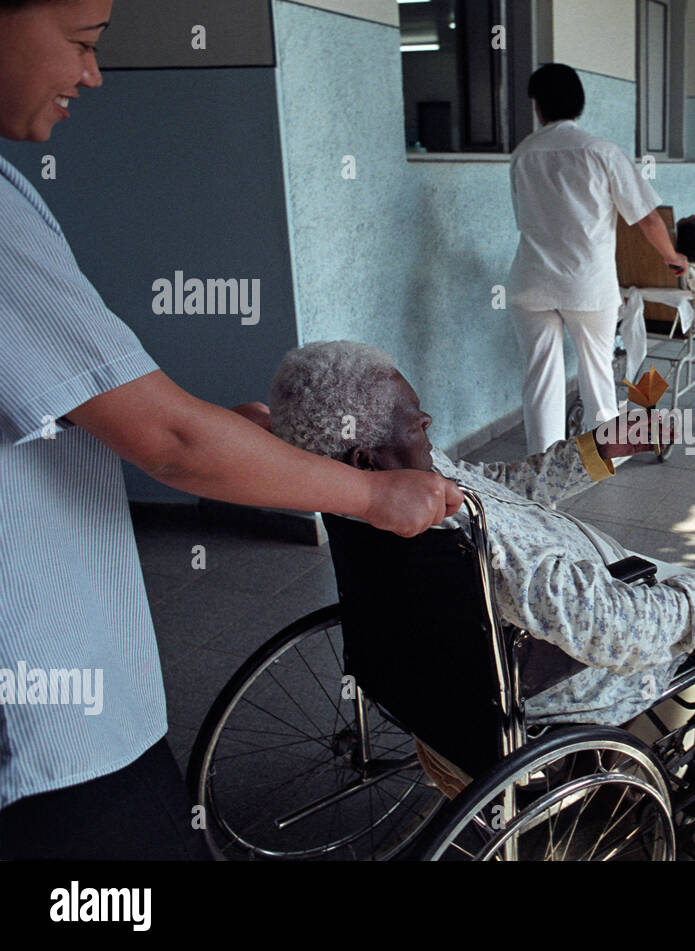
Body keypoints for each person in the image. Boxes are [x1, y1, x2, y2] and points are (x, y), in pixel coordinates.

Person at [0, 0, 461, 861]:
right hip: (47, 726)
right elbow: (169, 439)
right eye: (82, 42)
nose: (93, 75)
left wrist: (233, 438)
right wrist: (368, 497)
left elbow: (83, 400)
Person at [269, 341, 695, 738]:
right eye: (415, 422)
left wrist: (605, 447)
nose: (428, 420)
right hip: (582, 659)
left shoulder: (380, 492)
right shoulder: (475, 546)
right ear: (366, 458)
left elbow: (502, 485)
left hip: (443, 660)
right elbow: (615, 631)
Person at [509, 63, 687, 455]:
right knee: (597, 376)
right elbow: (648, 218)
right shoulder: (601, 152)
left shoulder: (523, 154)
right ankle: (601, 461)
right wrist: (672, 257)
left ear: (538, 107)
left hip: (531, 281)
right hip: (587, 285)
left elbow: (525, 216)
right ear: (580, 104)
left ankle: (543, 471)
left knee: (540, 380)